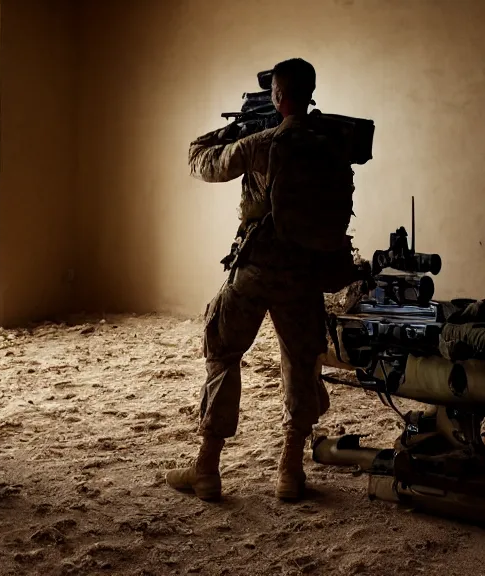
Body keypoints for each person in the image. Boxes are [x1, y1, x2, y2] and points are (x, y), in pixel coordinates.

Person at [166, 58, 355, 502]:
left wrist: (232, 132)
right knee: (300, 360)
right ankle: (290, 471)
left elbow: (201, 163)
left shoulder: (261, 143)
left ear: (275, 96)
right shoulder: (330, 143)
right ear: (310, 93)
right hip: (304, 273)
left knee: (222, 351)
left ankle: (208, 467)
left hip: (255, 269)